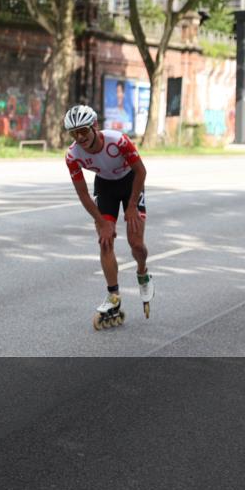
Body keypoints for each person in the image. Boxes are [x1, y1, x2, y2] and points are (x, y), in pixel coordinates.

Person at [63, 104, 155, 330]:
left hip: (130, 183)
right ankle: (113, 296)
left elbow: (141, 171)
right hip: (105, 187)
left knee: (136, 244)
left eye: (83, 130)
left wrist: (132, 205)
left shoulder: (118, 141)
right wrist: (101, 222)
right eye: (74, 133)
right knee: (105, 242)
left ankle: (142, 272)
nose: (79, 137)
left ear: (94, 126)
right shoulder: (72, 155)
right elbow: (83, 194)